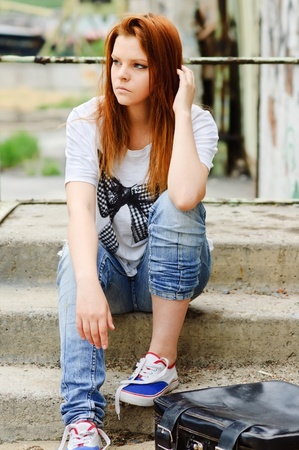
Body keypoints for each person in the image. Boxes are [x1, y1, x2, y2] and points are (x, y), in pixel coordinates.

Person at [56, 12, 218, 450]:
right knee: (74, 257)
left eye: (138, 65)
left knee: (174, 202)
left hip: (167, 276)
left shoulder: (197, 123)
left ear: (165, 71)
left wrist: (180, 111)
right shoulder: (87, 120)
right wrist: (89, 284)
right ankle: (82, 421)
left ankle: (161, 359)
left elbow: (185, 196)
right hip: (110, 274)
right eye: (115, 62)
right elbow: (81, 210)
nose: (120, 75)